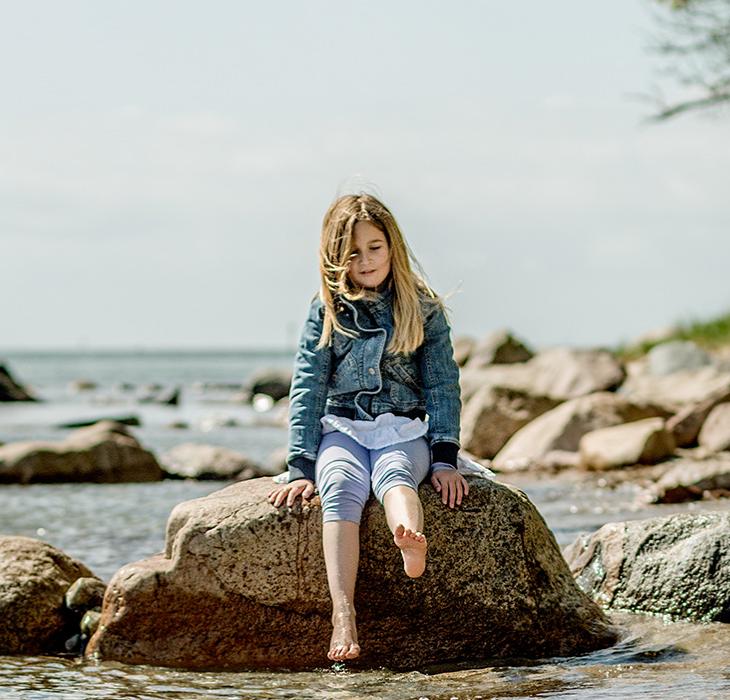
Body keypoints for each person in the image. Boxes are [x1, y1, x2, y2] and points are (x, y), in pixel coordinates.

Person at [267, 192, 468, 663]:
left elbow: (442, 383)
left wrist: (444, 459)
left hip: (404, 428)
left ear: (392, 245)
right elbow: (308, 387)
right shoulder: (327, 310)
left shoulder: (422, 308)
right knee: (338, 484)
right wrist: (300, 466)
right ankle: (343, 613)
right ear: (336, 258)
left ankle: (408, 540)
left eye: (375, 247)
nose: (365, 260)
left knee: (396, 474)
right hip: (345, 426)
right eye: (353, 252)